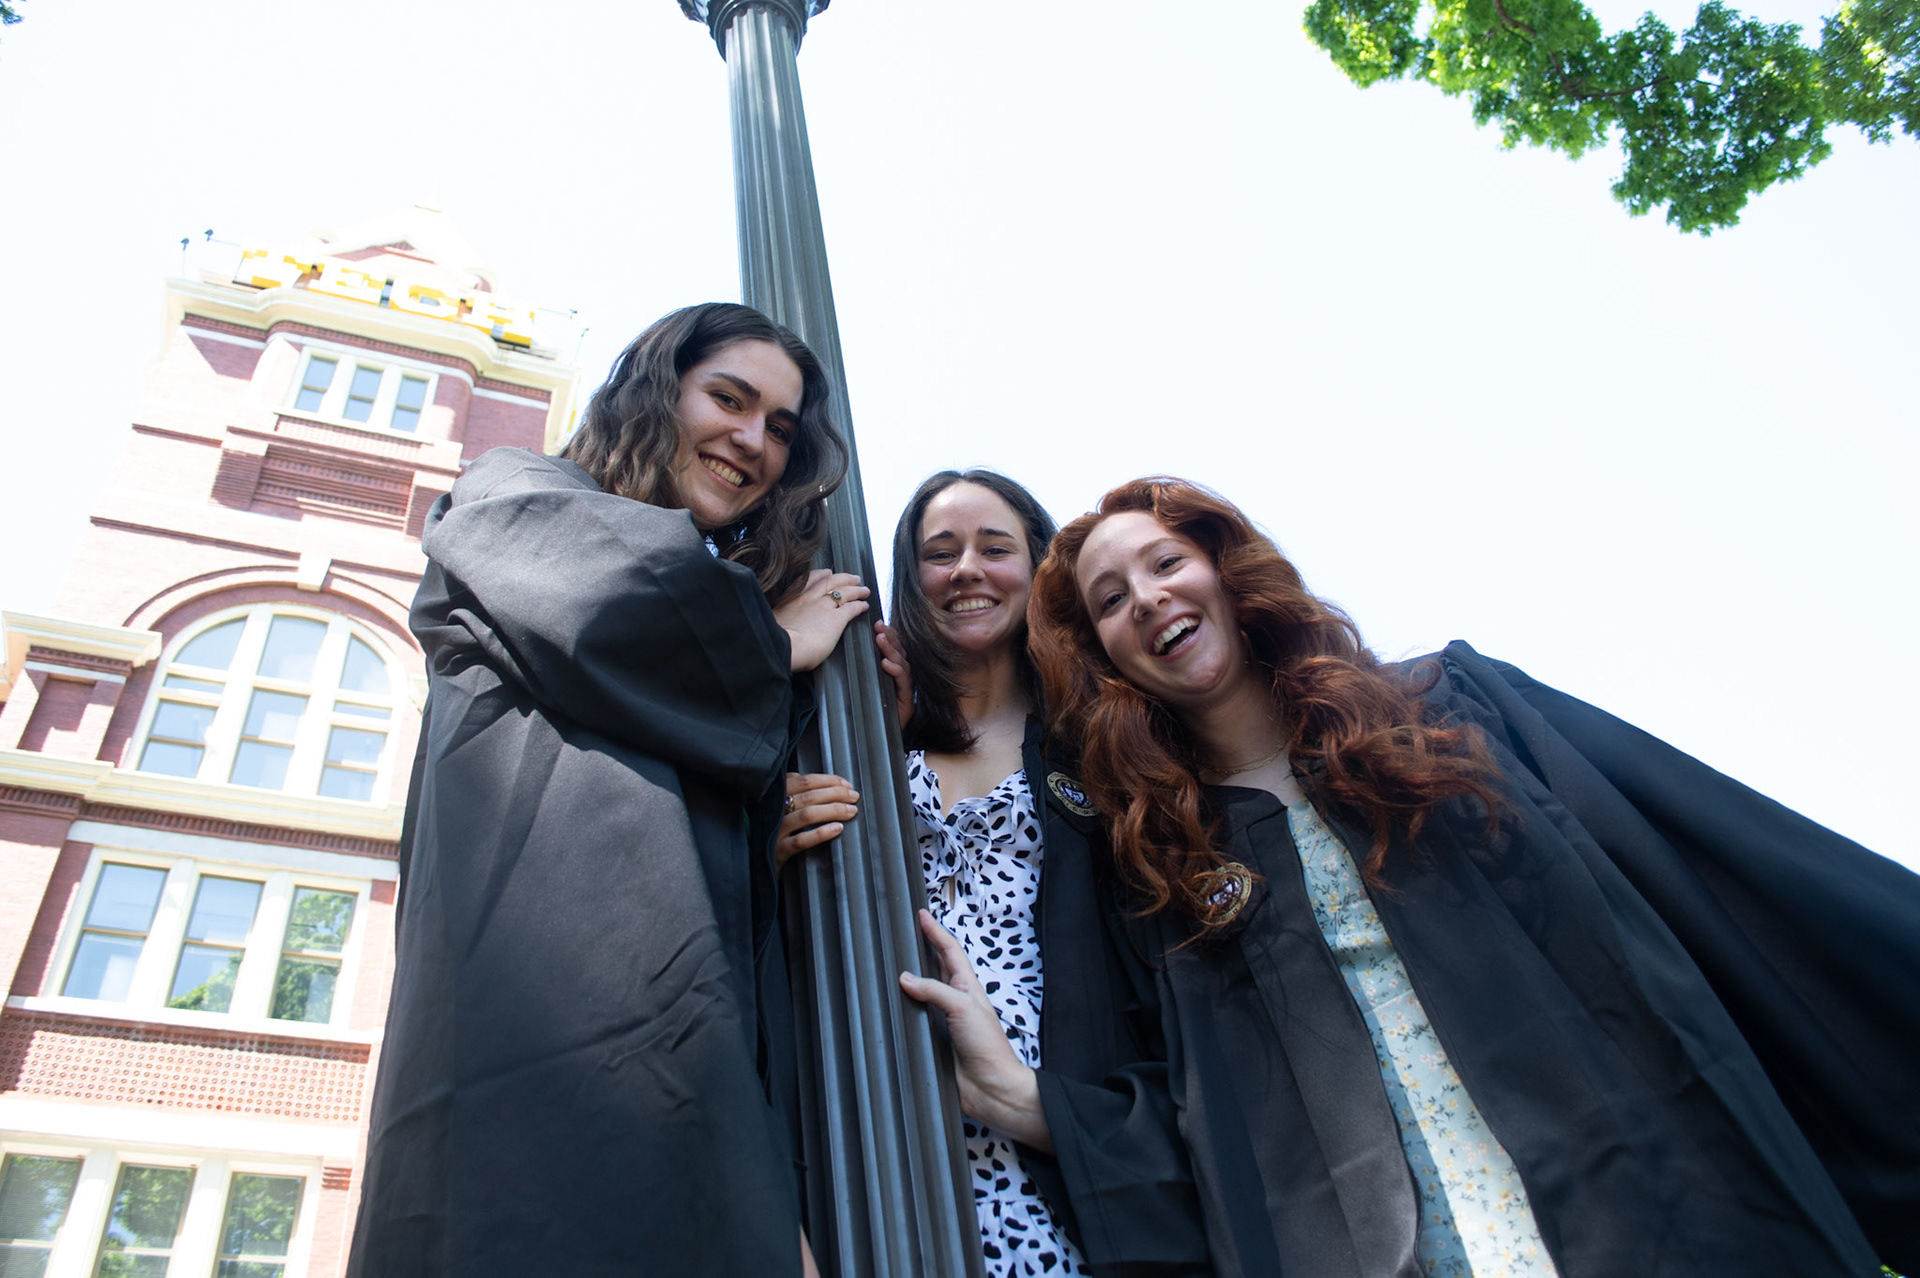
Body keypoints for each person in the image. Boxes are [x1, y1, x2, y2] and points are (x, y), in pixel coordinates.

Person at [915, 475, 1920, 1277]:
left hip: (1658, 1217)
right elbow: (1200, 1134)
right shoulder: (1168, 870)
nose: (1148, 599)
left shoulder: (1455, 718)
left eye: (1167, 562)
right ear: (1104, 659)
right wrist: (1022, 1098)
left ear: (1226, 569)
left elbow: (1713, 878)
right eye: (1110, 601)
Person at [348, 303, 871, 1278]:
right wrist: (772, 641)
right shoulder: (512, 501)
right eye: (728, 398)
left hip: (682, 1034)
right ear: (654, 390)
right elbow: (616, 620)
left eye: (779, 428)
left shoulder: (702, 624)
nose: (753, 441)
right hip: (540, 1048)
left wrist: (749, 830)